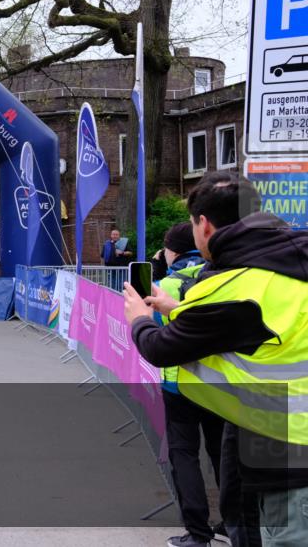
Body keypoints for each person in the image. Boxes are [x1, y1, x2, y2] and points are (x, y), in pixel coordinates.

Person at [126, 171, 308, 547]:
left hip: (284, 445)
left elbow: (162, 348)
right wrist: (178, 307)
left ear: (204, 225)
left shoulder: (227, 286)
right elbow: (251, 323)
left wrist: (139, 321)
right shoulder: (289, 259)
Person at [145, 222, 229, 547]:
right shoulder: (222, 275)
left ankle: (198, 533)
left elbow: (153, 330)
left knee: (184, 455)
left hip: (180, 384)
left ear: (172, 251)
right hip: (220, 382)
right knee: (223, 454)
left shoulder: (166, 283)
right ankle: (232, 523)